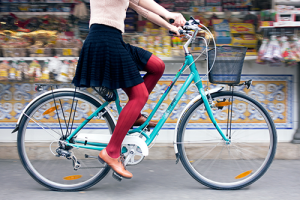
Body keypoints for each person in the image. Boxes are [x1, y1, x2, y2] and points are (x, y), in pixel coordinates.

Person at [72, 0, 186, 179]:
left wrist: (168, 25)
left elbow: (142, 9)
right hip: (104, 41)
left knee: (157, 66)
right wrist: (169, 14)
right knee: (139, 94)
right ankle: (111, 152)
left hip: (113, 39)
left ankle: (134, 116)